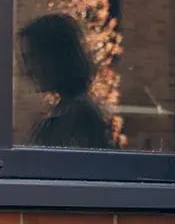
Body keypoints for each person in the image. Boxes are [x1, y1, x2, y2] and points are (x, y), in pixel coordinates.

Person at [18, 13, 115, 149]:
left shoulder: (80, 117)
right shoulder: (62, 114)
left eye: (32, 58)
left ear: (56, 57)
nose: (27, 70)